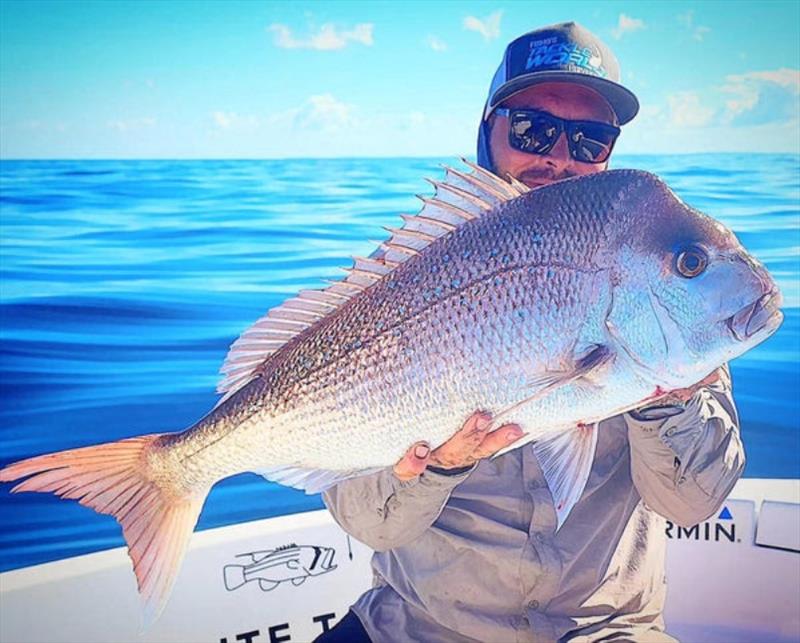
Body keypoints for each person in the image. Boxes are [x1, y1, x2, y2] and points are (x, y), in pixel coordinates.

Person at [316, 22, 743, 643]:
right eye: (533, 130)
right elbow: (370, 525)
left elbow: (691, 504)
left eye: (590, 139)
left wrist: (671, 404)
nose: (559, 158)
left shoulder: (658, 279)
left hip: (607, 631)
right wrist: (435, 470)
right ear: (487, 129)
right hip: (420, 628)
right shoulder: (406, 276)